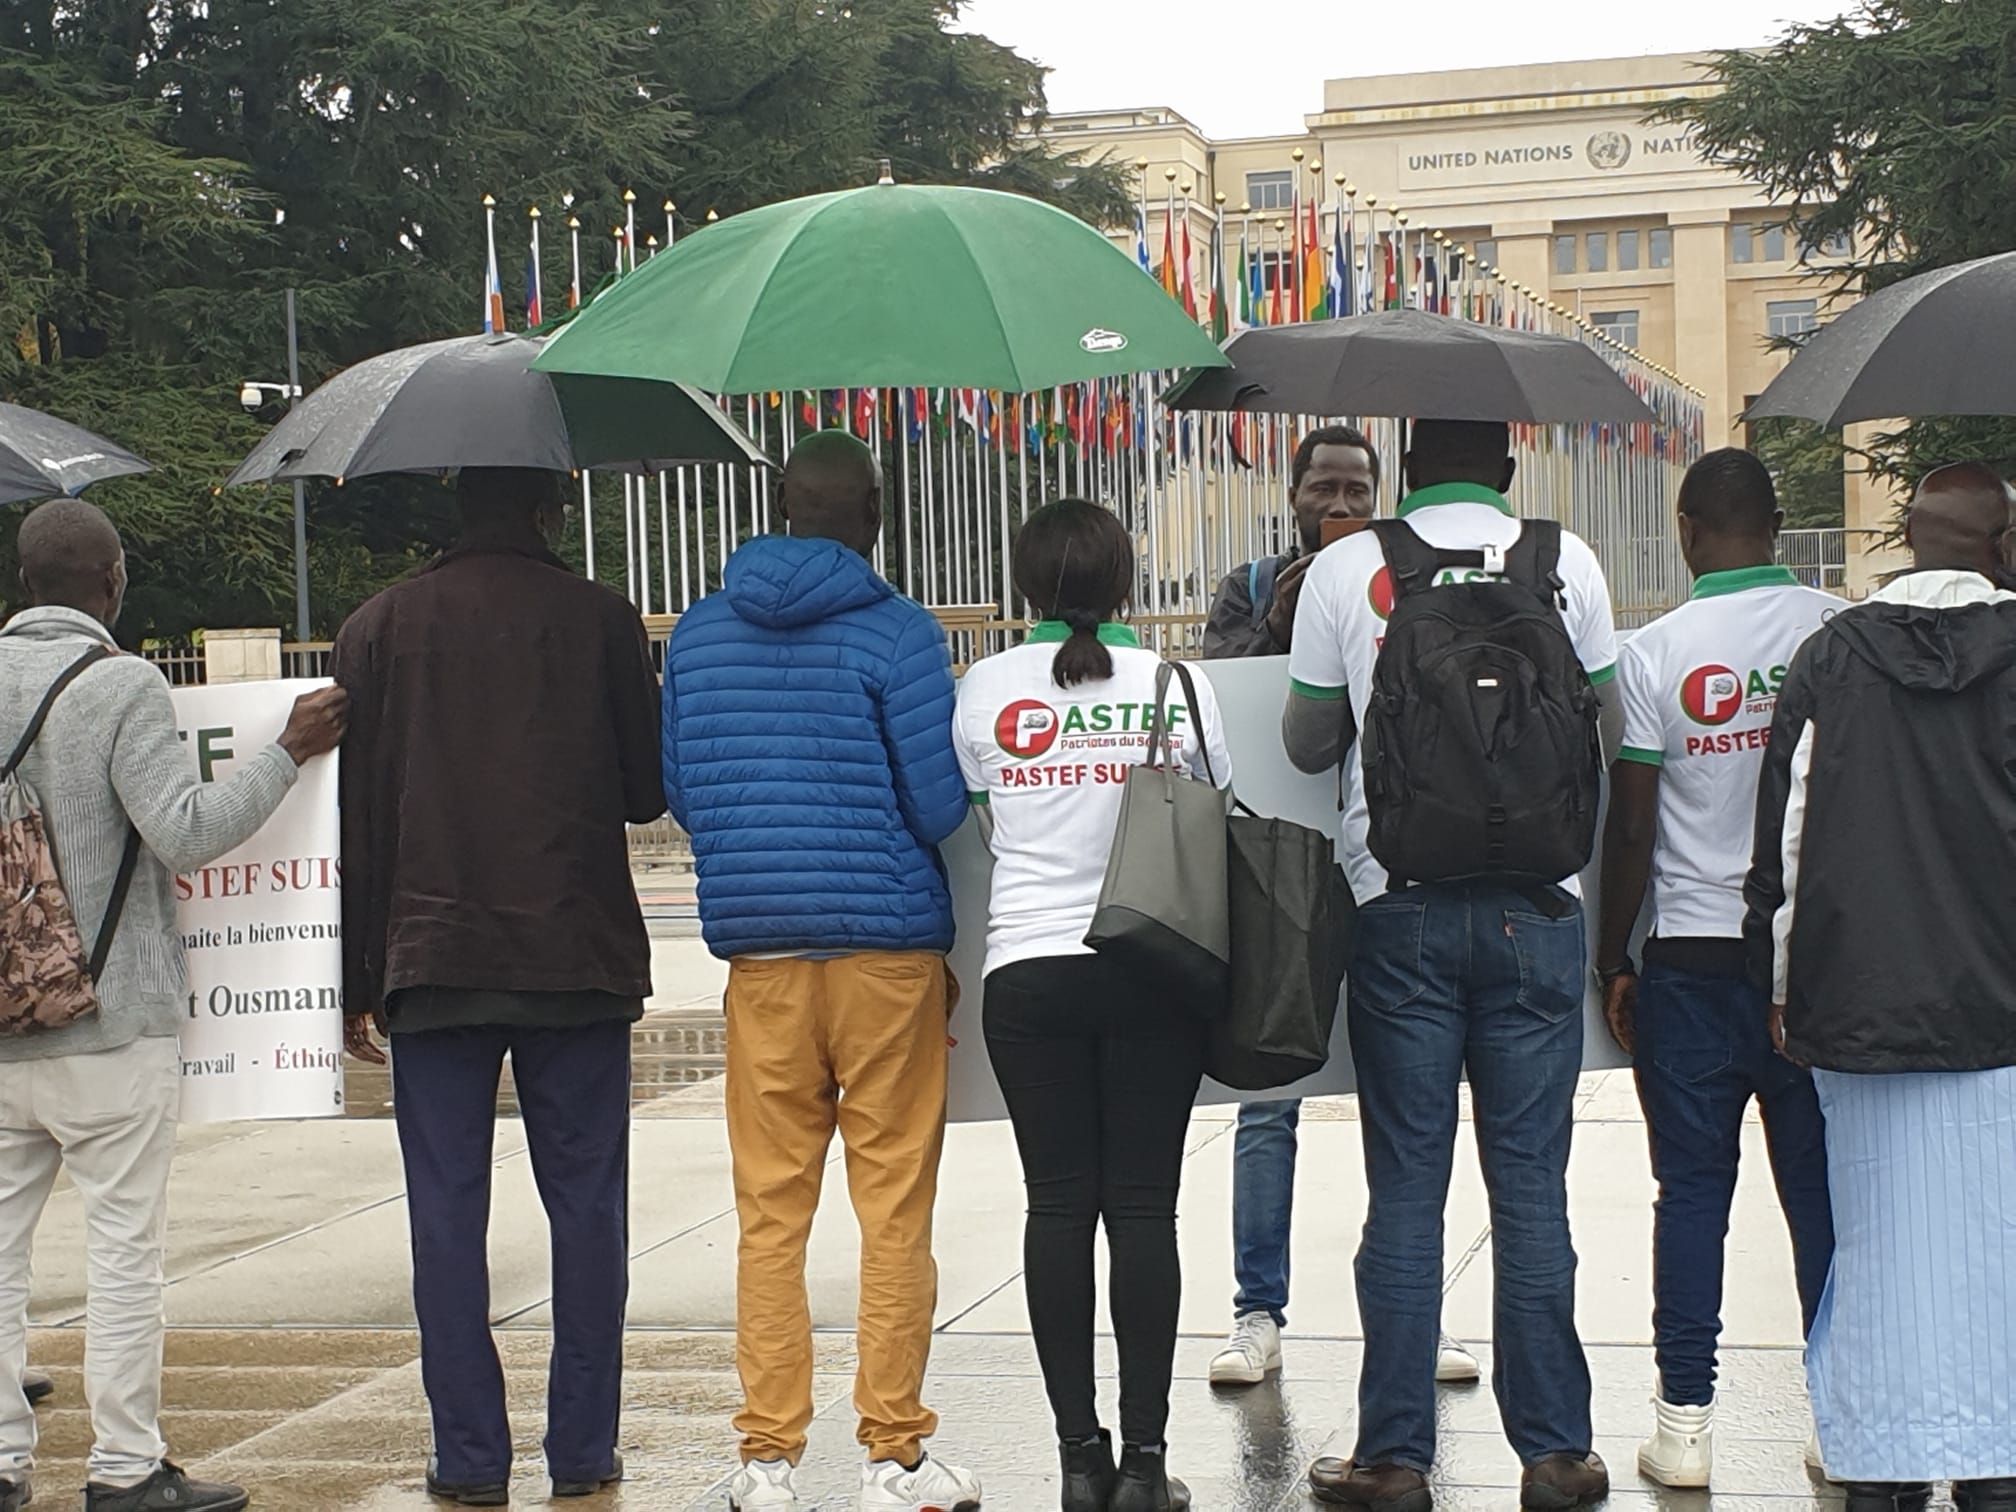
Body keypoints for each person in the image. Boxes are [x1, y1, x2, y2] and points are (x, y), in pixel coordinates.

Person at [1284, 419, 1622, 1512]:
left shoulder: (1350, 565)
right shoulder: (1564, 559)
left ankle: (1392, 1458)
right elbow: (1608, 726)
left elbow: (1304, 742)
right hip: (1539, 910)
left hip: (1401, 906)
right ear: (1509, 473)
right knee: (1530, 1188)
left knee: (1406, 1188)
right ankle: (1556, 1454)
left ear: (1408, 473)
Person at [0, 499, 346, 1512]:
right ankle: (124, 1467)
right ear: (111, 582)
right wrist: (287, 752)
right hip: (108, 1024)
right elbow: (185, 832)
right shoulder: (120, 684)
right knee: (122, 1253)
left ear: (25, 583)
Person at [661, 432, 979, 1512]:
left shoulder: (700, 635)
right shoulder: (899, 633)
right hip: (887, 955)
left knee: (770, 1210)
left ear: (780, 505)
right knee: (892, 1207)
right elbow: (937, 806)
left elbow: (685, 794)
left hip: (762, 958)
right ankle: (895, 1453)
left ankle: (766, 1457)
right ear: (874, 512)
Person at [333, 468, 663, 1507]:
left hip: (432, 953)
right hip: (576, 955)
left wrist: (356, 975)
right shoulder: (602, 619)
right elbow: (645, 793)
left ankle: (471, 1456)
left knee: (444, 1212)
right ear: (548, 511)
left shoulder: (377, 628)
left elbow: (356, 816)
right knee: (588, 1209)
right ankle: (583, 1449)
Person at [1745, 463, 2016, 1512]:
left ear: (1909, 540)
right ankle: (1995, 1468)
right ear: (2002, 547)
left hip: (1859, 1005)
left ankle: (1883, 1470)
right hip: (2001, 1011)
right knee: (1996, 1247)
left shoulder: (1834, 655)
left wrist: (1781, 983)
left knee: (1880, 1246)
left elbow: (1789, 838)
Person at [955, 499, 1230, 1512]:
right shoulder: (1175, 685)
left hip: (1029, 975)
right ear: (1126, 582)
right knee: (1145, 1206)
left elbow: (985, 819)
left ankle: (1080, 1459)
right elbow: (1214, 808)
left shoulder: (984, 687)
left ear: (1025, 584)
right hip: (1155, 969)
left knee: (1058, 1205)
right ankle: (1147, 1466)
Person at [1200, 427, 1479, 1392]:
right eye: (1323, 486)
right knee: (1267, 1096)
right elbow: (1227, 696)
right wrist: (1282, 623)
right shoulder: (1249, 587)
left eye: (1358, 488)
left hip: (1388, 864)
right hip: (1279, 869)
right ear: (1292, 494)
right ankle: (1257, 1311)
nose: (1341, 504)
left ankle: (1414, 1316)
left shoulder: (1400, 579)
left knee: (1407, 1104)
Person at [1594, 449, 1836, 1487]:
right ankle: (1843, 1418)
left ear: (1687, 531)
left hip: (1691, 958)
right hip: (1813, 962)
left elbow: (1634, 824)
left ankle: (1684, 1425)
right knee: (1820, 1194)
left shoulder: (1655, 653)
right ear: (1777, 527)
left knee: (1692, 1192)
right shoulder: (1838, 630)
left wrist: (1614, 955)